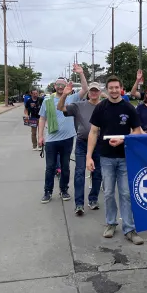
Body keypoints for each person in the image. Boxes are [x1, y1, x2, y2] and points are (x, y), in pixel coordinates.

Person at [86, 75, 144, 245]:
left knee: (125, 193)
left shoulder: (128, 107)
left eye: (116, 87)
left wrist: (124, 139)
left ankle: (130, 229)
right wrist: (89, 156)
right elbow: (93, 132)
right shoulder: (100, 108)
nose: (113, 90)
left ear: (121, 89)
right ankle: (111, 224)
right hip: (106, 158)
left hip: (125, 157)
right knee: (109, 193)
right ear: (107, 90)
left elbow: (137, 131)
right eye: (110, 88)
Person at [38, 64, 89, 203]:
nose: (60, 87)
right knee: (50, 167)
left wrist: (81, 73)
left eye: (63, 85)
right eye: (58, 85)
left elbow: (85, 89)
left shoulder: (71, 98)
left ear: (67, 86)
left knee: (65, 167)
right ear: (54, 86)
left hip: (67, 138)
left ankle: (64, 190)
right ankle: (47, 192)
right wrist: (40, 136)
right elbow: (42, 118)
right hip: (51, 140)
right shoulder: (47, 101)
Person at [58, 81, 103, 215]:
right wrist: (64, 95)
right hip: (82, 143)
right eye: (91, 90)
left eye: (96, 90)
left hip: (99, 144)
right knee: (79, 173)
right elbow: (60, 108)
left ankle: (93, 199)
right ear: (88, 92)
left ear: (100, 92)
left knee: (97, 172)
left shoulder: (104, 106)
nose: (94, 93)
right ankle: (79, 204)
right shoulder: (79, 105)